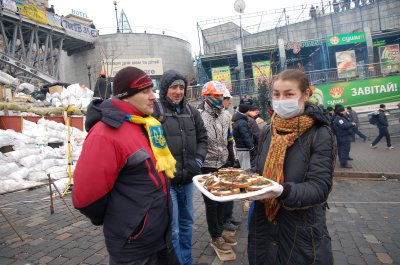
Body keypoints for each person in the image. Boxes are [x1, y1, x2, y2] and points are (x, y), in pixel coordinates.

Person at [72, 67, 180, 265]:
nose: (153, 96)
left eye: (152, 89)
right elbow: (85, 197)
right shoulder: (105, 134)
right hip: (134, 247)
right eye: (145, 91)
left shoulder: (145, 123)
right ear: (126, 96)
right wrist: (128, 221)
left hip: (160, 239)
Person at [247, 69, 336, 265]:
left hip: (300, 233)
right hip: (263, 228)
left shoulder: (320, 133)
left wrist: (281, 190)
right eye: (276, 94)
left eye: (289, 94)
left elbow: (320, 188)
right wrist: (242, 179)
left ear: (305, 95)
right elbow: (259, 172)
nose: (281, 100)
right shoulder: (268, 130)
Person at [153, 69, 208, 265]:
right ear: (165, 89)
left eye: (182, 87)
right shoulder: (156, 112)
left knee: (187, 224)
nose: (178, 91)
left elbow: (203, 138)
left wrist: (198, 162)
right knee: (173, 228)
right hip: (167, 182)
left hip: (187, 181)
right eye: (173, 87)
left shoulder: (192, 112)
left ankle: (187, 260)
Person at [199, 81, 237, 254]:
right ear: (206, 96)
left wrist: (233, 158)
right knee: (211, 202)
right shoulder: (198, 115)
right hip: (206, 165)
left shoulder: (226, 115)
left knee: (223, 198)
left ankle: (220, 230)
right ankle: (215, 236)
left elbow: (230, 139)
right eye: (215, 96)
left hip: (223, 163)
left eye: (221, 96)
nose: (219, 100)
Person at [233, 104, 254, 170]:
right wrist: (251, 147)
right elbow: (245, 135)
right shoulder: (243, 122)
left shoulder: (238, 120)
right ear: (246, 111)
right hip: (244, 148)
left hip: (239, 147)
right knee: (246, 168)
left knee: (243, 166)